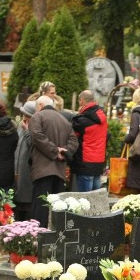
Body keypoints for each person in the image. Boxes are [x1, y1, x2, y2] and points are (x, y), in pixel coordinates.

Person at [29, 95, 78, 228]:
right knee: (57, 208)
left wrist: (55, 152)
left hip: (42, 170)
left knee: (41, 207)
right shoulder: (64, 120)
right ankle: (55, 237)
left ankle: (38, 238)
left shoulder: (37, 117)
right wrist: (65, 152)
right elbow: (74, 141)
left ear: (40, 105)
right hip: (59, 171)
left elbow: (37, 136)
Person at [70, 90, 108, 192]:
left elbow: (71, 135)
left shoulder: (82, 120)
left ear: (82, 100)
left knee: (85, 199)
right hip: (98, 162)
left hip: (85, 162)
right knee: (96, 197)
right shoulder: (102, 117)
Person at [14, 101, 36, 221]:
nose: (24, 118)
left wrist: (27, 130)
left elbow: (33, 146)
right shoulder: (21, 126)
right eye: (23, 115)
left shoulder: (33, 128)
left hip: (27, 171)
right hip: (17, 170)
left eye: (27, 115)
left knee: (27, 204)